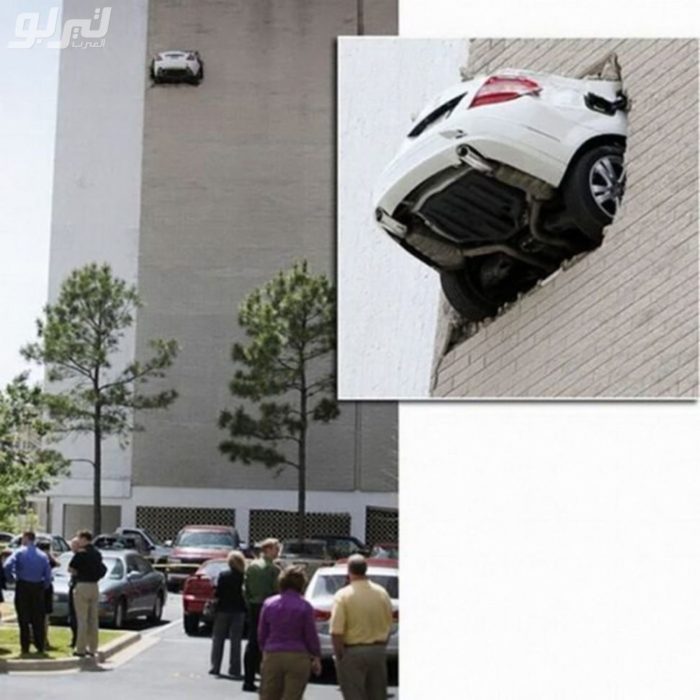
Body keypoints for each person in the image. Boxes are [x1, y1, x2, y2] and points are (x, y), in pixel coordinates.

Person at [330, 555, 393, 700]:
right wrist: (381, 645)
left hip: (352, 651)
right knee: (377, 695)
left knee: (354, 694)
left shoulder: (343, 595)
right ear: (366, 570)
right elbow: (389, 623)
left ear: (349, 571)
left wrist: (339, 655)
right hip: (378, 650)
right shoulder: (382, 593)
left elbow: (336, 631)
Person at [258, 565, 322, 700]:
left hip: (273, 654)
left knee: (268, 695)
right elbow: (310, 634)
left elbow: (262, 633)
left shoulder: (269, 604)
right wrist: (316, 656)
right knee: (293, 696)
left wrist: (265, 650)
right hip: (298, 656)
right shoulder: (305, 606)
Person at [2, 531, 52, 655]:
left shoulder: (19, 552)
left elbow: (7, 565)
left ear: (25, 538)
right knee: (38, 618)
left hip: (23, 585)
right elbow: (48, 575)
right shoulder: (42, 555)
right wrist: (43, 586)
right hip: (38, 587)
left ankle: (25, 647)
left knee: (23, 618)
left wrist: (11, 578)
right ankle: (40, 646)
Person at [242, 537, 281, 692]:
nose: (278, 552)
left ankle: (248, 679)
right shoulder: (274, 569)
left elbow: (244, 589)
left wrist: (250, 602)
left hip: (253, 606)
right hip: (269, 607)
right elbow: (277, 590)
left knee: (252, 642)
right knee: (267, 643)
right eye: (276, 549)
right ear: (268, 549)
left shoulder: (251, 566)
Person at [209, 550, 247, 678]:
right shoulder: (243, 576)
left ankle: (215, 667)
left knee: (218, 638)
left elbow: (218, 593)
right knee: (236, 641)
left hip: (223, 609)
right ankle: (235, 669)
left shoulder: (224, 576)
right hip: (239, 610)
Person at [68, 529, 106, 658]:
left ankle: (81, 648)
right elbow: (103, 569)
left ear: (84, 539)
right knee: (93, 619)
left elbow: (71, 568)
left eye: (79, 538)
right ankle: (93, 648)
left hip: (82, 585)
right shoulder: (97, 553)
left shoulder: (81, 553)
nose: (78, 541)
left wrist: (79, 573)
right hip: (94, 586)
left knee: (82, 619)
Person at [36, 540, 60, 649]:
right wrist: (50, 555)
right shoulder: (48, 559)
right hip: (46, 587)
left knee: (35, 614)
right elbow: (57, 563)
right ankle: (44, 639)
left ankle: (35, 636)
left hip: (35, 587)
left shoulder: (35, 558)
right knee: (45, 616)